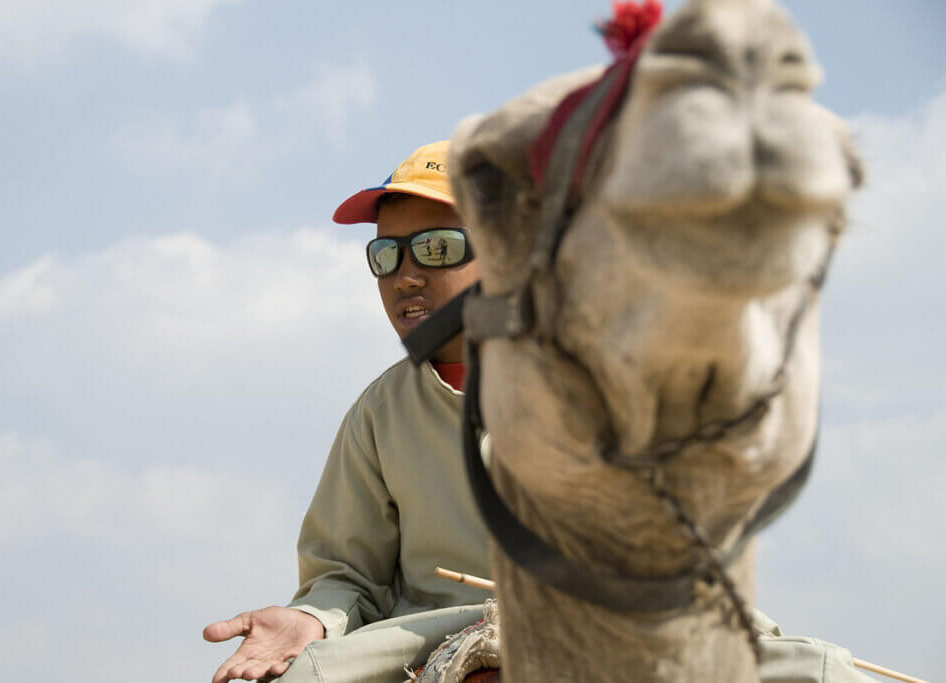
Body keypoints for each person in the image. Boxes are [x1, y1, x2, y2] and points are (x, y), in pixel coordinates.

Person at [203, 141, 874, 683]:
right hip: (430, 633)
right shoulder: (380, 412)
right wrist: (313, 619)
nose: (406, 274)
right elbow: (346, 573)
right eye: (386, 254)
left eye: (436, 248)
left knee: (823, 671)